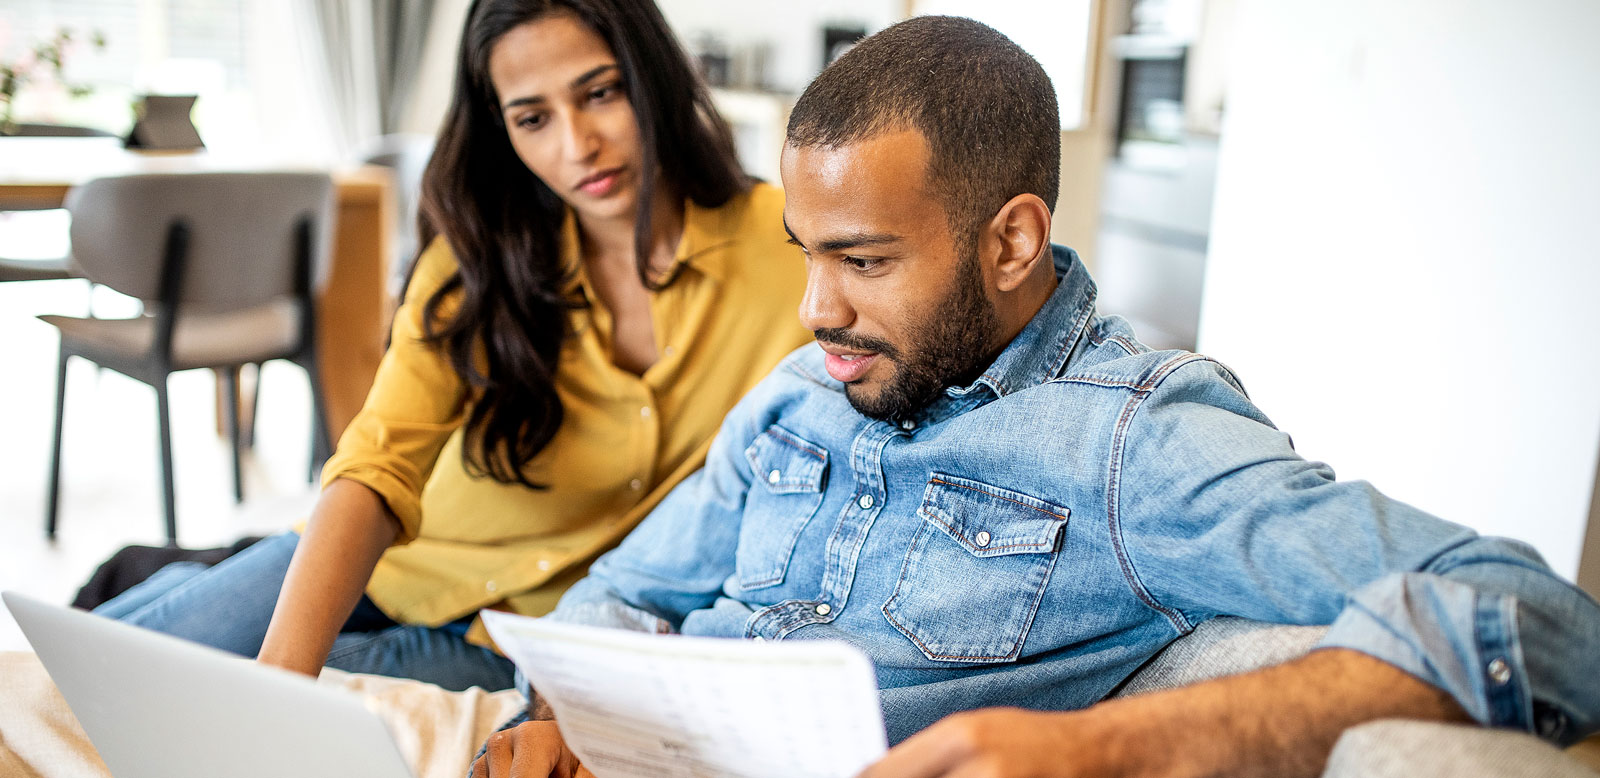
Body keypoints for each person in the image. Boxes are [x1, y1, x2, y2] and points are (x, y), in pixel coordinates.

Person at [469, 15, 1600, 776]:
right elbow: (625, 589)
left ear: (1010, 240)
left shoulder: (1134, 438)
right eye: (805, 254)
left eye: (863, 262)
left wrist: (1107, 748)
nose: (813, 310)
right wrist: (548, 711)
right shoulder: (803, 395)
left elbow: (1543, 620)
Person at [90, 0, 810, 692]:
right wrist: (283, 676)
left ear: (653, 74)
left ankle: (182, 586)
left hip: (527, 635)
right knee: (88, 680)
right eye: (533, 118)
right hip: (385, 563)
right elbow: (377, 462)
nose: (576, 145)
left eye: (601, 93)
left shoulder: (793, 247)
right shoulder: (478, 260)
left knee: (203, 704)